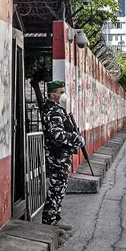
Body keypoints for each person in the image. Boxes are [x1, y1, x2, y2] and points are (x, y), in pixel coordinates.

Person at [41, 80, 84, 229]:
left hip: (60, 156)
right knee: (56, 190)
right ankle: (49, 222)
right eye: (61, 92)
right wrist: (76, 139)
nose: (63, 95)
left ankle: (55, 219)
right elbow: (57, 134)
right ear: (52, 94)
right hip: (57, 157)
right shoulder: (53, 111)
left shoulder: (55, 109)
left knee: (59, 189)